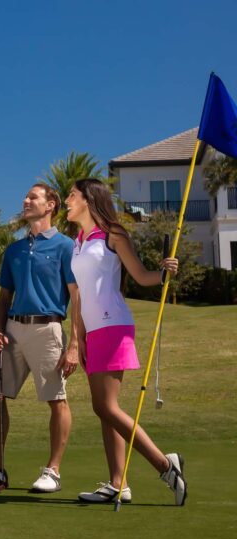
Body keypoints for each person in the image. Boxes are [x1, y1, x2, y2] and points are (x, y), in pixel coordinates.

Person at [65, 178, 187, 505]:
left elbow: (141, 275)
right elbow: (77, 297)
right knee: (106, 411)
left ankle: (165, 465)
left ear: (89, 200)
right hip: (93, 331)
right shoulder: (78, 241)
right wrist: (78, 338)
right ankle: (118, 483)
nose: (66, 200)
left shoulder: (113, 235)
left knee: (105, 406)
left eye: (72, 196)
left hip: (114, 326)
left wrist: (163, 273)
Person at [0, 184, 79, 494]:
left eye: (33, 197)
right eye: (25, 197)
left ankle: (53, 470)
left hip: (48, 329)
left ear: (51, 205)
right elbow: (3, 298)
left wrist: (75, 345)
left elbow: (77, 298)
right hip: (12, 331)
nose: (25, 201)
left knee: (56, 399)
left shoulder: (66, 246)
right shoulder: (14, 250)